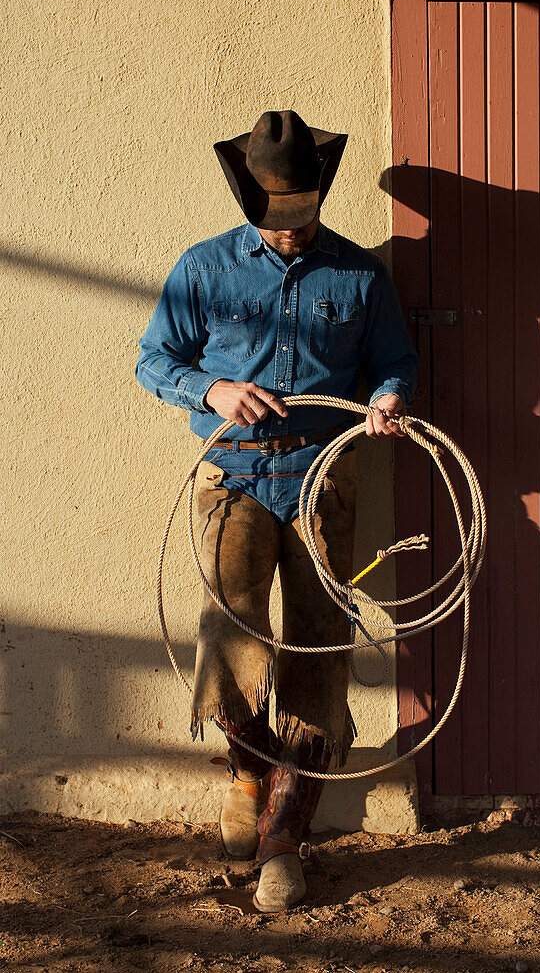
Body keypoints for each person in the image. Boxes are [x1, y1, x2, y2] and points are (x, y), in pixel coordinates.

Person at [136, 110, 418, 911]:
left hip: (324, 478)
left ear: (319, 195)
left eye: (298, 215)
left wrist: (389, 396)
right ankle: (246, 772)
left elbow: (393, 359)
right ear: (248, 198)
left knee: (320, 645)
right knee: (226, 637)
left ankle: (284, 835)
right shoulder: (203, 269)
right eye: (272, 217)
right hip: (229, 475)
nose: (286, 233)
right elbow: (155, 358)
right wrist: (212, 389)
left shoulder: (360, 277)